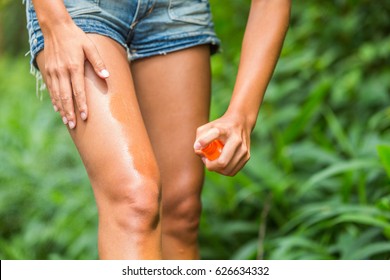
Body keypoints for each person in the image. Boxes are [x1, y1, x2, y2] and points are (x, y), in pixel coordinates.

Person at [25, 0, 291, 259]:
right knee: (135, 199)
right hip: (78, 8)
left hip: (177, 9)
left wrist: (241, 116)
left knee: (181, 211)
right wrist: (55, 23)